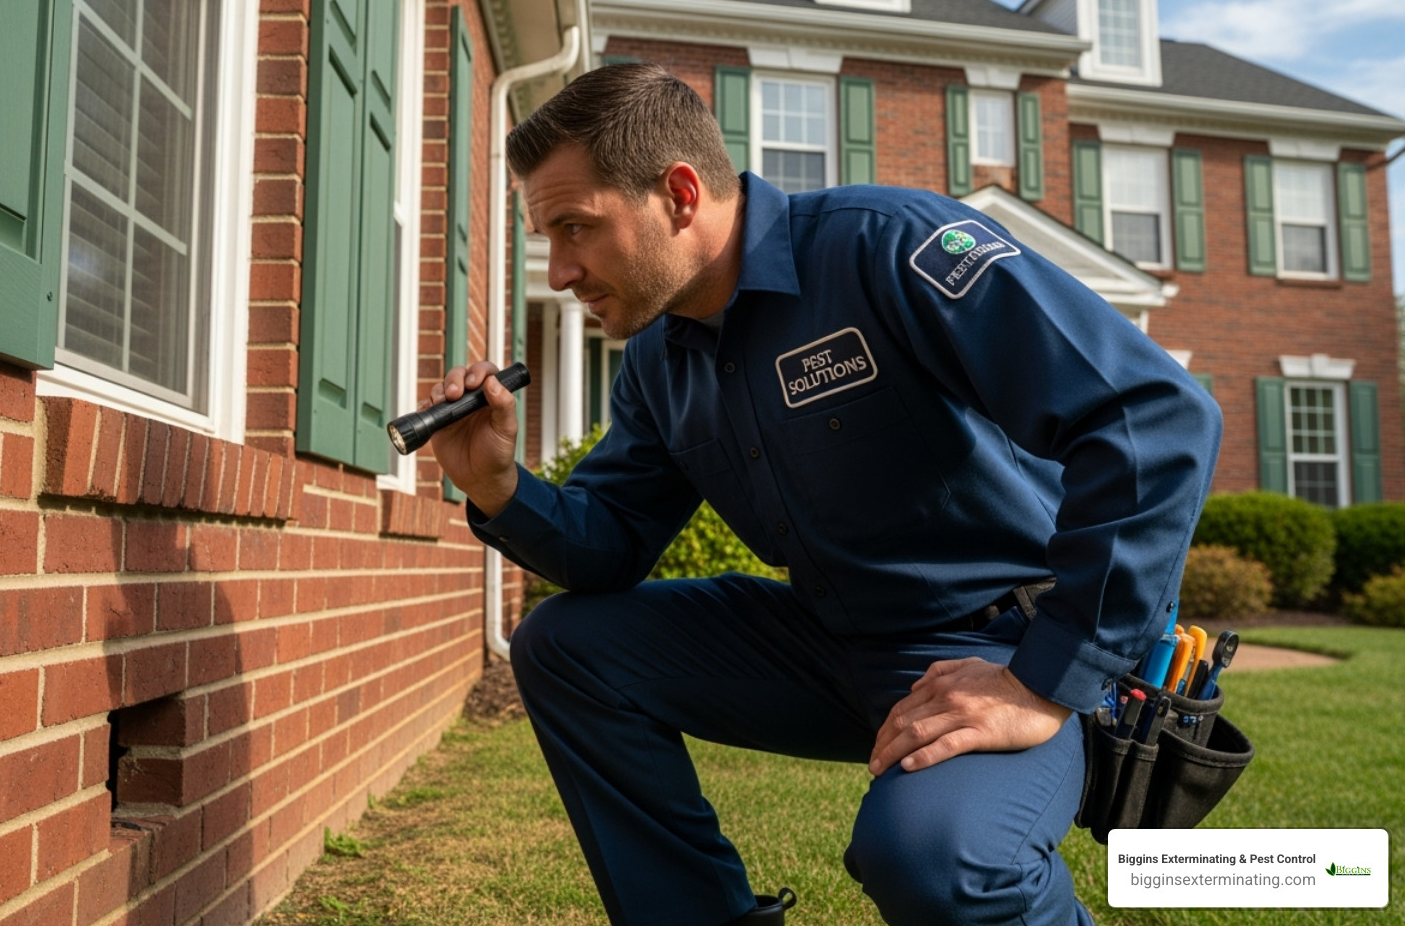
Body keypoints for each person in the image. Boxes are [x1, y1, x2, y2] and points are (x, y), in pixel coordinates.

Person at [423, 63, 1222, 926]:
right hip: (827, 641)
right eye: (548, 236)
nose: (561, 269)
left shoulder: (887, 246)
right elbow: (611, 540)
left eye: (576, 228)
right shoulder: (661, 358)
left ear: (680, 194)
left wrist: (1045, 679)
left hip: (995, 644)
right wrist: (500, 488)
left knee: (933, 857)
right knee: (565, 646)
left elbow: (1153, 413)